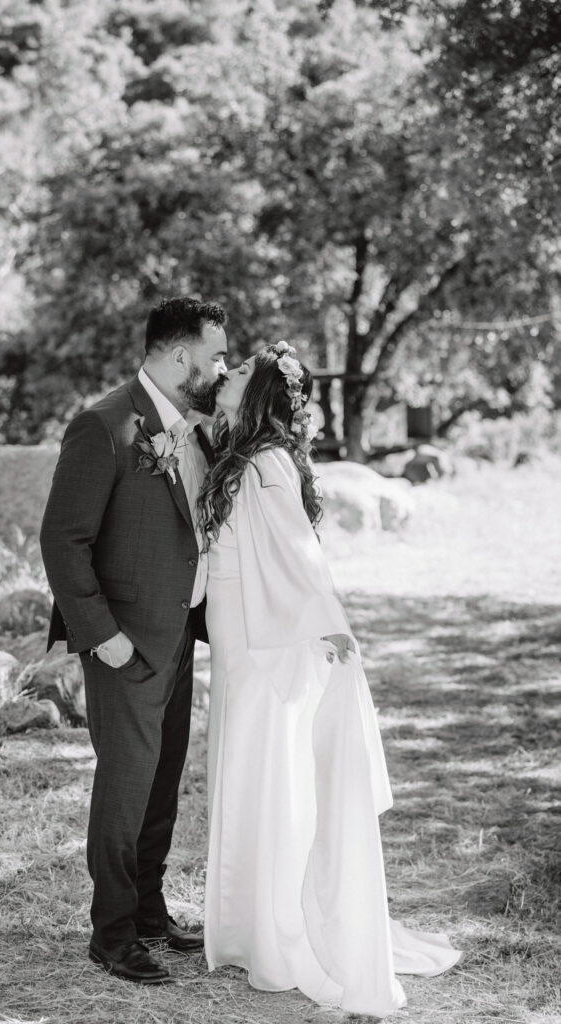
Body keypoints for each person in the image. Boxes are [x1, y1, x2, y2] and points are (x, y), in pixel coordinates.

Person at [197, 342, 462, 1017]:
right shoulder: (239, 456)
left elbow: (297, 557)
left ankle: (278, 930)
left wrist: (326, 628)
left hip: (268, 646)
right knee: (249, 777)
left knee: (271, 782)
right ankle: (250, 925)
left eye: (234, 372)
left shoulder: (266, 463)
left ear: (255, 394)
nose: (222, 375)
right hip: (239, 642)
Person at [40, 296, 228, 985]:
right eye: (215, 356)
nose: (220, 368)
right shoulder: (104, 425)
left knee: (161, 784)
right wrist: (103, 638)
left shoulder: (192, 428)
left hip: (178, 638)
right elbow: (64, 540)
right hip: (124, 645)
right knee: (124, 790)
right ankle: (112, 934)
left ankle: (149, 912)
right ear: (180, 356)